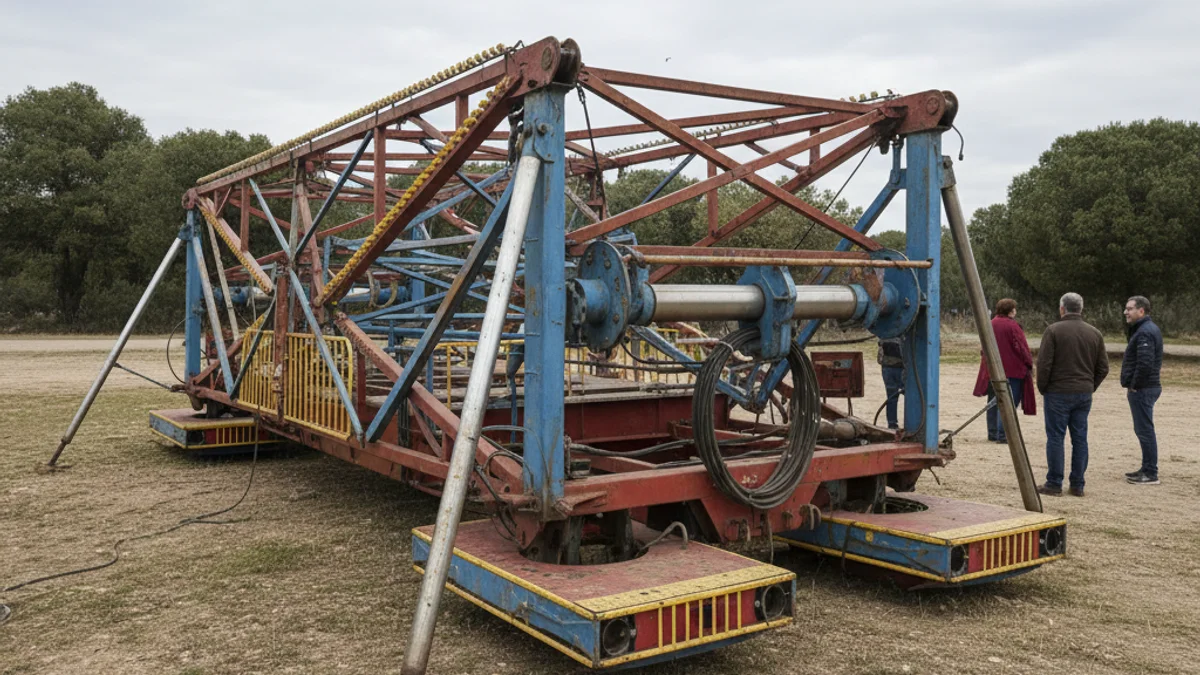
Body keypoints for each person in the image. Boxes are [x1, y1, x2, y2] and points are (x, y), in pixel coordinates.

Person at [1035, 292, 1109, 497]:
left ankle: (1054, 482)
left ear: (1062, 309)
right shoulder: (1095, 333)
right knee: (1080, 438)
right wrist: (1089, 385)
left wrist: (1043, 387)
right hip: (1083, 393)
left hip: (1058, 391)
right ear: (1081, 309)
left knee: (1056, 437)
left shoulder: (1053, 331)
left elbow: (1044, 364)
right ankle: (1077, 484)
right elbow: (1103, 367)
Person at [972, 298, 1036, 443]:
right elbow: (1021, 347)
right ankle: (1002, 434)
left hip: (992, 370)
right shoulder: (1013, 327)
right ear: (1011, 311)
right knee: (1008, 402)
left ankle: (993, 432)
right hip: (1012, 370)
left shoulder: (990, 324)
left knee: (993, 401)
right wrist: (1029, 363)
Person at [1121, 296, 1163, 486]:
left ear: (1141, 311)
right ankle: (1146, 468)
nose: (1125, 312)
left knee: (1145, 430)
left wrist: (1135, 385)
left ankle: (1151, 473)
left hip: (1144, 389)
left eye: (1129, 309)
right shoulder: (1144, 329)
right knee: (1143, 430)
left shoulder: (1145, 332)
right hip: (1147, 387)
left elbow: (1145, 364)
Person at [876, 337, 905, 429]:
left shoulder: (884, 333)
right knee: (911, 396)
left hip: (887, 367)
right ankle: (912, 423)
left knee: (891, 397)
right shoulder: (903, 332)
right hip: (900, 368)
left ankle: (892, 424)